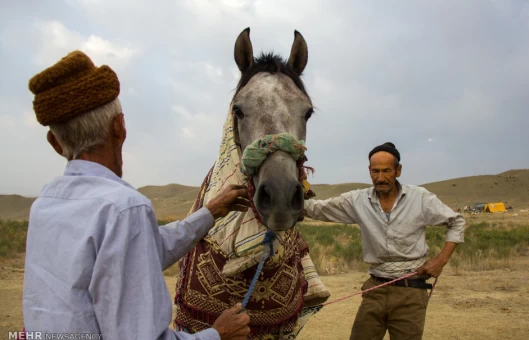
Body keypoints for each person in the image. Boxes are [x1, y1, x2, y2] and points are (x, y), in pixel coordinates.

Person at [23, 51, 251, 340]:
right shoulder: (124, 209)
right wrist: (217, 334)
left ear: (55, 143)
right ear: (120, 127)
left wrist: (210, 212)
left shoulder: (44, 204)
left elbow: (141, 252)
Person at [303, 142, 465, 340]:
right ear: (369, 171)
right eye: (375, 171)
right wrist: (287, 193)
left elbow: (456, 221)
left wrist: (440, 261)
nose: (380, 178)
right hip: (375, 289)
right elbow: (317, 209)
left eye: (386, 171)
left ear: (398, 170)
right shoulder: (357, 200)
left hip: (411, 291)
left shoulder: (420, 198)